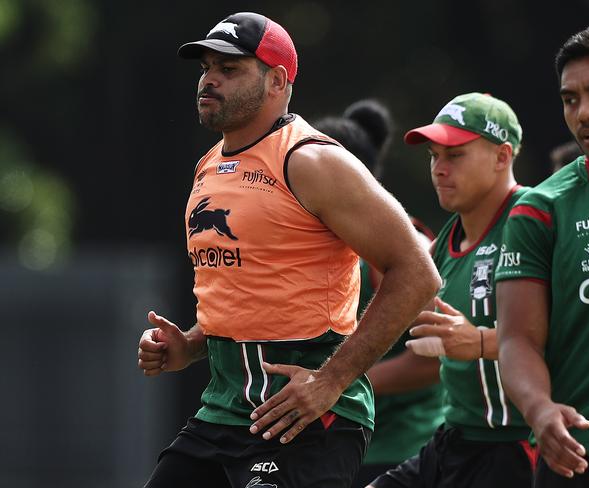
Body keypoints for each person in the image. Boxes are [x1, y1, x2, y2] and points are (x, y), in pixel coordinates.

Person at [136, 11, 440, 488]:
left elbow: (419, 272)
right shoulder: (208, 167)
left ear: (276, 80)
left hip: (305, 419)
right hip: (223, 413)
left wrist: (332, 380)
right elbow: (254, 295)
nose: (209, 80)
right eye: (206, 68)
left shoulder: (312, 160)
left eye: (229, 69)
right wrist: (190, 346)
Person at [496, 24, 589, 486]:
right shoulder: (542, 210)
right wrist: (540, 409)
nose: (584, 113)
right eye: (570, 99)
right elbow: (517, 340)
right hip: (584, 464)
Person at [368, 92, 537, 488]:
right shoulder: (444, 241)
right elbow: (428, 347)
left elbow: (575, 334)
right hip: (454, 440)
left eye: (455, 155)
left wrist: (477, 340)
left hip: (518, 446)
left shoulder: (536, 221)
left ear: (502, 156)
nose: (439, 169)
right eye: (433, 156)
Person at [313, 100, 445, 488]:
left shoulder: (401, 252)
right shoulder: (307, 248)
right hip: (328, 449)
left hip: (400, 451)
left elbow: (435, 361)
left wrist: (334, 380)